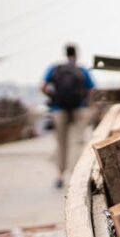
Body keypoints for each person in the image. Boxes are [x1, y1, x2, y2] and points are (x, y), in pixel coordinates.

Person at [42, 44, 95, 188]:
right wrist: (89, 106)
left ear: (65, 54)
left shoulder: (55, 69)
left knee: (61, 143)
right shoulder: (82, 70)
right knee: (76, 142)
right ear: (76, 54)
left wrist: (53, 99)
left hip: (59, 110)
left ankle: (59, 176)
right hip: (79, 110)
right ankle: (74, 175)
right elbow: (91, 90)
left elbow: (43, 87)